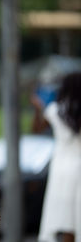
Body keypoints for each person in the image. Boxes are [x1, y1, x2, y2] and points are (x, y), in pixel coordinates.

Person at [38, 72, 81, 242]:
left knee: (62, 215)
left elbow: (37, 129)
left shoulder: (54, 110)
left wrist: (38, 108)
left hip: (61, 167)